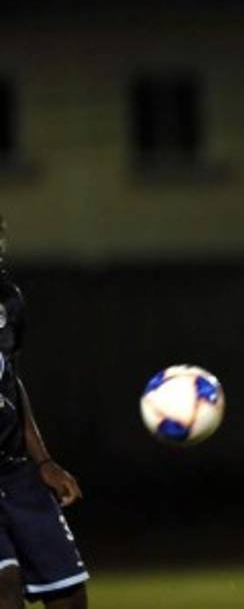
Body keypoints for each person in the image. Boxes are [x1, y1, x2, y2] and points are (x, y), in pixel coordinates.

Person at [0, 217, 89, 609]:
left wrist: (44, 461)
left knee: (70, 595)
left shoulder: (7, 299)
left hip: (16, 471)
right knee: (6, 585)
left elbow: (10, 383)